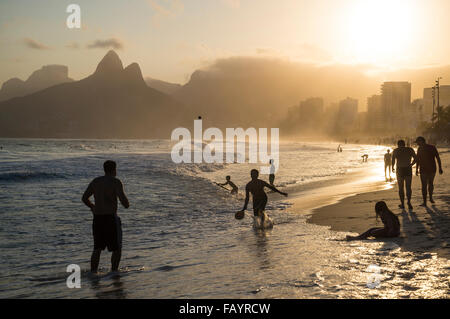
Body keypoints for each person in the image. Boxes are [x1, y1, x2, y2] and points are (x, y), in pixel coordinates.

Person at [82, 160, 129, 273]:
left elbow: (84, 198)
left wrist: (92, 207)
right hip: (110, 218)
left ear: (104, 169)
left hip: (97, 218)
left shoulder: (96, 181)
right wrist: (125, 201)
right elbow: (125, 204)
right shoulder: (115, 182)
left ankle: (93, 273)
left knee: (97, 248)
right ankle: (114, 272)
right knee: (116, 249)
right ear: (114, 170)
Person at [415, 136, 444, 206]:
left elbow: (418, 159)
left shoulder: (422, 148)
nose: (417, 144)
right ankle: (429, 199)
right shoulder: (431, 147)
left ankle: (426, 201)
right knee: (429, 184)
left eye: (418, 142)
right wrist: (440, 167)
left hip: (427, 169)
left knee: (425, 185)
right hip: (430, 168)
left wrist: (440, 167)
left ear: (421, 141)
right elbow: (437, 158)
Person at [392, 140, 417, 210]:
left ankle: (402, 204)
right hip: (408, 169)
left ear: (398, 145)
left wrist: (392, 167)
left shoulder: (396, 150)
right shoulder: (410, 149)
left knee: (401, 188)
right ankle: (409, 202)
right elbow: (416, 158)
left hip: (400, 169)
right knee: (408, 187)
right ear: (404, 144)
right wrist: (411, 164)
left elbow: (393, 160)